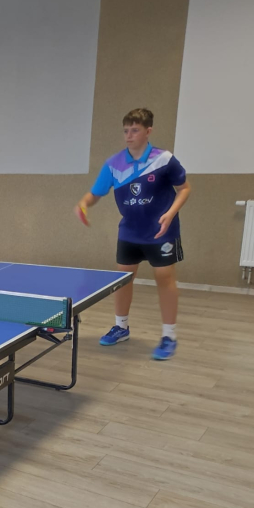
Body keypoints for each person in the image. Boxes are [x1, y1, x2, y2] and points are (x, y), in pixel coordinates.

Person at [74, 108, 192, 360]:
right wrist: (83, 203)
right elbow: (95, 193)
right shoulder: (114, 164)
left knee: (164, 278)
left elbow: (184, 188)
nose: (129, 135)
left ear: (148, 131)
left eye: (135, 130)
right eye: (126, 130)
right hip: (130, 232)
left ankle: (169, 335)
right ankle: (121, 327)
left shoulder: (164, 160)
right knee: (123, 279)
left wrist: (170, 213)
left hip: (161, 231)